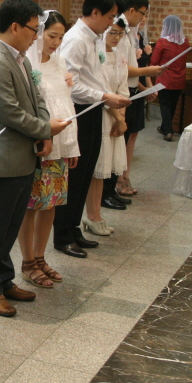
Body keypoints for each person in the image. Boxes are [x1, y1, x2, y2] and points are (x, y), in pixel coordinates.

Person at [0, 0, 69, 318]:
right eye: (33, 29)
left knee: (10, 227)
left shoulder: (22, 60)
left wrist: (44, 130)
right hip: (3, 160)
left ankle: (4, 280)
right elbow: (11, 114)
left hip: (24, 157)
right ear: (15, 27)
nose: (36, 35)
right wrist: (45, 129)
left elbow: (38, 99)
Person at [53, 0, 130, 259]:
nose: (111, 23)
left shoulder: (95, 38)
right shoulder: (76, 39)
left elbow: (96, 77)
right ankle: (62, 235)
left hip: (94, 109)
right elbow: (71, 85)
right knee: (75, 176)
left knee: (86, 173)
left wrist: (107, 98)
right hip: (79, 111)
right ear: (95, 12)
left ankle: (74, 228)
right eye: (109, 16)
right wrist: (105, 96)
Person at [18, 11, 79, 288]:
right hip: (39, 145)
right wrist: (43, 134)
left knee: (51, 203)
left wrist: (72, 146)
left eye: (61, 37)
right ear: (39, 33)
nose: (56, 42)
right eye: (52, 36)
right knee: (32, 205)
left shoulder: (59, 61)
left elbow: (67, 104)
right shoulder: (26, 63)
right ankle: (27, 261)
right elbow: (30, 108)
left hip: (60, 144)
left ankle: (41, 257)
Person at [110, 0, 163, 197]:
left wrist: (145, 84)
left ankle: (122, 178)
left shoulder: (132, 33)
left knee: (129, 136)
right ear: (131, 10)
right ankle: (114, 184)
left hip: (131, 89)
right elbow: (121, 68)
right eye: (142, 13)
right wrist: (147, 73)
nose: (143, 18)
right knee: (118, 139)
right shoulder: (120, 31)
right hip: (122, 91)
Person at [83, 18, 129, 236]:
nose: (116, 37)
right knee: (97, 170)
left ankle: (97, 215)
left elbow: (123, 88)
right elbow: (100, 89)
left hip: (116, 117)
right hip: (101, 114)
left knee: (105, 171)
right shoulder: (97, 55)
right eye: (112, 32)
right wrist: (117, 117)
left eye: (120, 33)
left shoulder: (119, 56)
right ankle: (92, 215)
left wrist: (122, 118)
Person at [151, 15, 190, 141]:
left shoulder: (163, 42)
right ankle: (164, 128)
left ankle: (168, 131)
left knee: (165, 105)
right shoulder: (185, 42)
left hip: (165, 78)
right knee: (173, 104)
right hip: (180, 78)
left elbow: (154, 61)